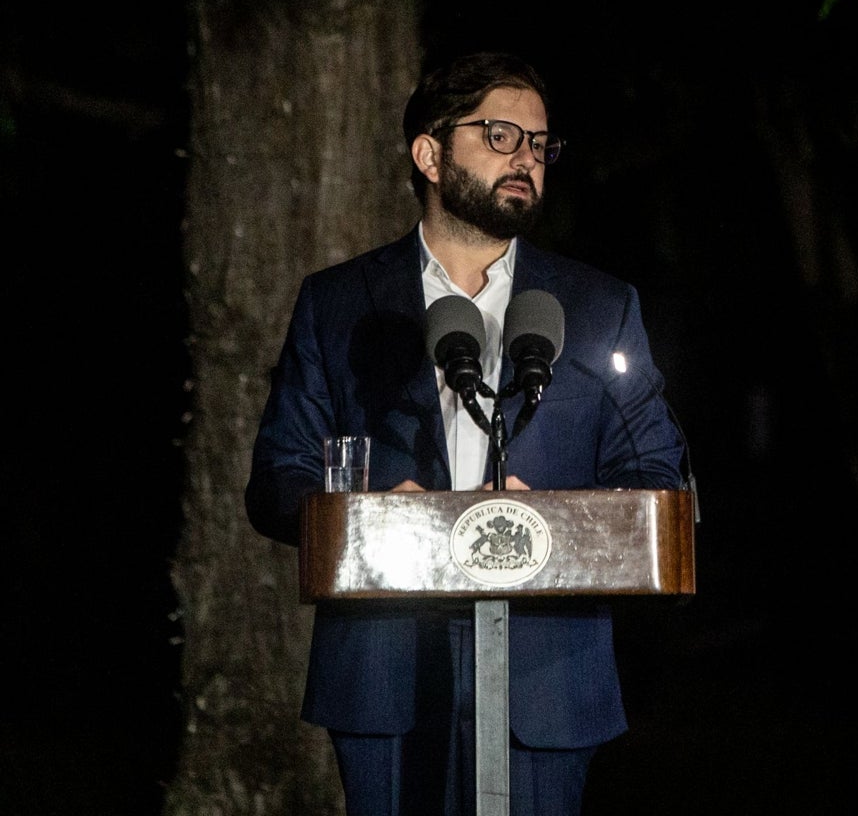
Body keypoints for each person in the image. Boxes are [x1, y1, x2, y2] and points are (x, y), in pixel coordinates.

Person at [244, 50, 685, 815]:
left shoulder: (597, 307)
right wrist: (382, 518)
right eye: (501, 136)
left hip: (546, 672)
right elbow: (279, 478)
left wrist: (552, 519)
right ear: (430, 153)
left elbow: (658, 480)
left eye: (540, 144)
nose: (528, 160)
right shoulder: (340, 303)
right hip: (385, 670)